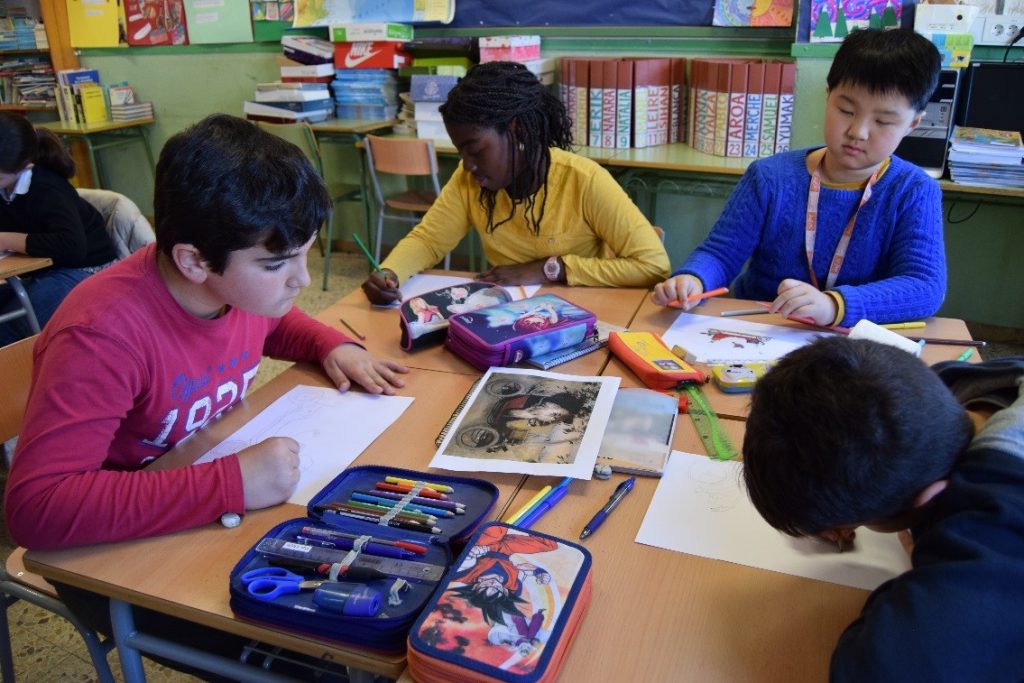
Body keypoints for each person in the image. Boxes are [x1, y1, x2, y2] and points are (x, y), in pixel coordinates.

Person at [5, 114, 408, 551]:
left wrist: (329, 344)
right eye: (276, 264)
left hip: (199, 483)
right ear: (194, 261)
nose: (303, 280)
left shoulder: (234, 291)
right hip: (121, 541)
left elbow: (274, 322)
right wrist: (230, 483)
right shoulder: (100, 337)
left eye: (304, 254)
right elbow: (37, 509)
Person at [742, 336, 1024, 681]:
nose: (845, 531)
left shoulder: (996, 529)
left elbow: (876, 671)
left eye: (853, 523)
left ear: (929, 499)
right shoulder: (934, 390)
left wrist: (937, 554)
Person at [652, 28, 946, 328]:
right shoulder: (770, 177)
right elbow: (720, 254)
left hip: (851, 339)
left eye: (883, 121)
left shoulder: (915, 190)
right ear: (828, 95)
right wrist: (693, 279)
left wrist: (835, 305)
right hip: (759, 326)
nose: (858, 131)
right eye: (846, 110)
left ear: (913, 123)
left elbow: (925, 286)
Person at [362, 61, 670, 304]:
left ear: (516, 130)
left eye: (475, 150)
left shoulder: (583, 180)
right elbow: (429, 240)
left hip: (581, 312)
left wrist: (552, 268)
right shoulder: (469, 180)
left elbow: (654, 265)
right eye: (461, 152)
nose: (467, 165)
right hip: (507, 312)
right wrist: (390, 272)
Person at [0, 112, 118, 345]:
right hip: (44, 271)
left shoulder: (46, 187)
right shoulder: (7, 184)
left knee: (10, 325)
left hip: (86, 270)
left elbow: (72, 246)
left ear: (25, 167)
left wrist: (5, 240)